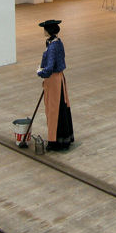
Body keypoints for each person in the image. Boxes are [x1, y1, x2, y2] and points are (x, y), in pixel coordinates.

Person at [36, 19, 74, 151]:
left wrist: (41, 72)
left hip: (53, 80)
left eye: (45, 29)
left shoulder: (52, 47)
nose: (44, 31)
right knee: (61, 106)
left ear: (49, 30)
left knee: (53, 109)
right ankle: (64, 138)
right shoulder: (58, 42)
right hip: (60, 78)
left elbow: (50, 67)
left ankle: (55, 141)